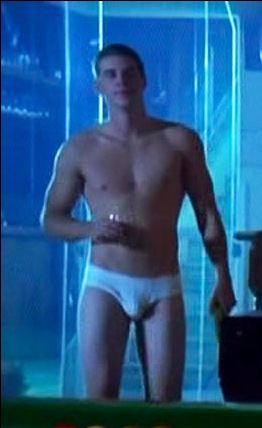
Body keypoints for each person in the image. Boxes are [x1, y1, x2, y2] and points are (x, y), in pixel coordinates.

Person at [40, 43, 237, 402]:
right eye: (111, 75)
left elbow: (207, 211)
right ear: (98, 85)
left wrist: (223, 276)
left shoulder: (179, 141)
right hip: (105, 282)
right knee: (101, 399)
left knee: (165, 402)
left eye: (130, 73)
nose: (121, 81)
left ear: (144, 80)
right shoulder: (79, 148)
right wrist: (91, 229)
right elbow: (52, 220)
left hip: (162, 283)